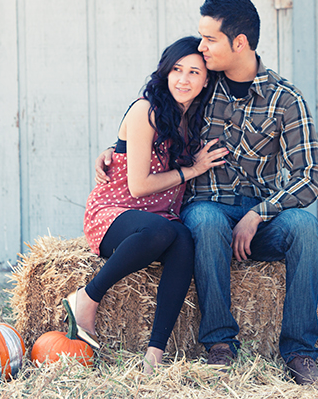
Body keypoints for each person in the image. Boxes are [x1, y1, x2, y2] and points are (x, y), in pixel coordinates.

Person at [95, 0, 318, 385]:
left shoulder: (286, 100)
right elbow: (151, 121)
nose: (201, 48)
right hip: (208, 209)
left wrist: (259, 214)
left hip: (259, 216)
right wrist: (114, 151)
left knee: (306, 227)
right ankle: (219, 344)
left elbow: (311, 176)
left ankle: (300, 352)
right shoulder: (200, 85)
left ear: (239, 43)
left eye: (210, 39)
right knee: (202, 219)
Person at [64, 36, 229, 375]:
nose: (183, 79)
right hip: (116, 213)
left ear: (206, 79)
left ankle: (154, 354)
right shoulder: (146, 110)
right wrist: (192, 169)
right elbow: (138, 186)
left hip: (160, 220)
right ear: (165, 74)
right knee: (163, 230)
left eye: (194, 72)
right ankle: (87, 297)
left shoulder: (192, 118)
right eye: (176, 70)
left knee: (183, 238)